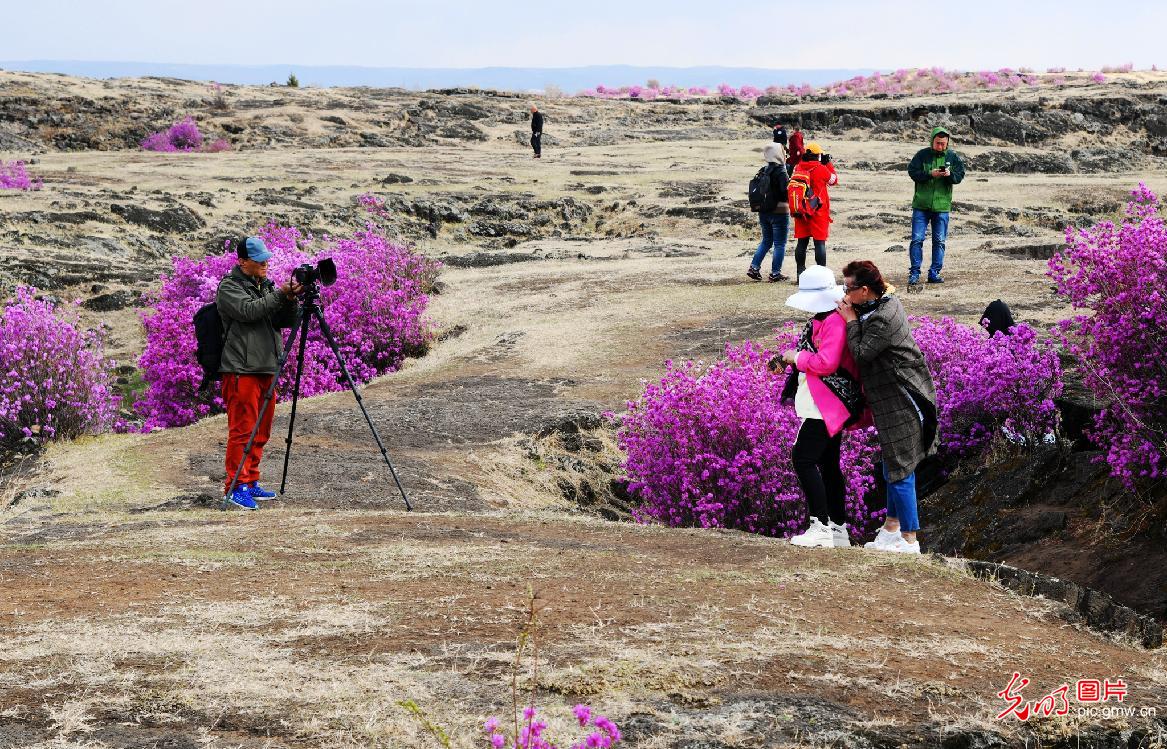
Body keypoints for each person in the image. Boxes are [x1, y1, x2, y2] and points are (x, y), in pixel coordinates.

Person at [836, 260, 938, 554]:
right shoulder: (884, 303)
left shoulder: (881, 318)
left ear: (864, 290)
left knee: (901, 469)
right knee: (893, 464)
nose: (845, 294)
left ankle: (909, 539)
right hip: (896, 397)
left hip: (903, 400)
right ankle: (891, 527)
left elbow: (861, 354)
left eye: (848, 288)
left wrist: (850, 321)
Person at [773, 265, 870, 549]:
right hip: (826, 402)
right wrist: (791, 359)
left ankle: (820, 526)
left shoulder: (834, 322)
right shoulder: (827, 318)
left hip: (825, 403)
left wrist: (796, 356)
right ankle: (838, 530)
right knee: (828, 465)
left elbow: (826, 363)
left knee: (803, 457)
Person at [217, 237, 302, 510]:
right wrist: (279, 294)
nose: (266, 263)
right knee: (242, 430)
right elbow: (249, 310)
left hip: (266, 368)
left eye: (266, 258)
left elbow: (285, 321)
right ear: (242, 261)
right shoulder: (229, 288)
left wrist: (288, 300)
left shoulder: (263, 286)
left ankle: (250, 480)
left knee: (261, 431)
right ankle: (235, 485)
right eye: (259, 260)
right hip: (241, 370)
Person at [906, 126, 966, 285]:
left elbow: (960, 176)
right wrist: (929, 174)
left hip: (941, 207)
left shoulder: (952, 157)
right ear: (932, 141)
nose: (941, 146)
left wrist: (949, 175)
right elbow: (912, 172)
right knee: (917, 239)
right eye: (938, 143)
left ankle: (934, 273)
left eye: (943, 143)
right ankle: (914, 273)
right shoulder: (922, 155)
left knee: (939, 241)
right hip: (921, 205)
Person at [791, 142, 838, 279]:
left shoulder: (798, 167)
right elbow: (833, 180)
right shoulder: (821, 168)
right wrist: (827, 163)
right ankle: (821, 275)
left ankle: (800, 273)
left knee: (802, 243)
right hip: (818, 210)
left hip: (801, 210)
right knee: (819, 243)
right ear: (817, 155)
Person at [747, 142, 791, 282]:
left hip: (763, 211)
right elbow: (785, 194)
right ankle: (775, 273)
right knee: (779, 244)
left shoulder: (763, 170)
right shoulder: (781, 171)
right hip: (779, 211)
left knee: (766, 241)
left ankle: (754, 268)